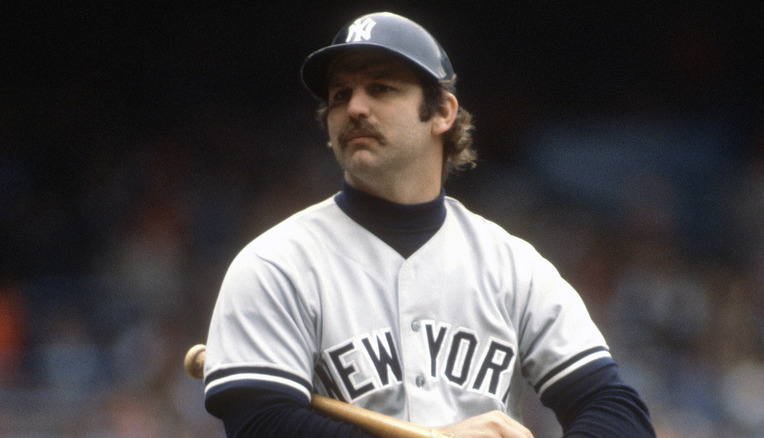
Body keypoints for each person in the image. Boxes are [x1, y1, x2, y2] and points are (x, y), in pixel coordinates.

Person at [203, 11, 655, 437]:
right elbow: (262, 424)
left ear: (443, 112)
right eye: (340, 95)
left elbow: (616, 411)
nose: (355, 107)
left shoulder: (512, 266)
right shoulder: (274, 263)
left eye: (380, 88)